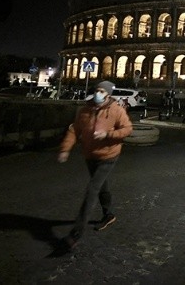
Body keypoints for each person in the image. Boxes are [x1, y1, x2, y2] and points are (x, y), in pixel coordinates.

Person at [58, 80, 133, 250]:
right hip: (90, 155)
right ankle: (109, 214)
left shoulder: (116, 110)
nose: (98, 93)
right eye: (97, 90)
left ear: (108, 94)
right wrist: (65, 149)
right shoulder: (85, 110)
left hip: (109, 155)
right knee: (101, 186)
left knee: (92, 190)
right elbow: (74, 130)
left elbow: (127, 129)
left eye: (102, 91)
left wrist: (108, 134)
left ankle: (75, 235)